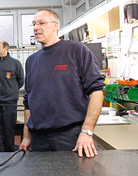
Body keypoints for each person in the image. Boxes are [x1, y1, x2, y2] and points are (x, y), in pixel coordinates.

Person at [19, 9, 105, 158]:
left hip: (70, 137)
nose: (36, 27)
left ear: (55, 25)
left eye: (41, 23)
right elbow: (28, 103)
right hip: (38, 139)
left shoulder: (77, 50)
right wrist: (26, 136)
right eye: (34, 24)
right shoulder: (31, 61)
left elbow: (97, 92)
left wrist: (87, 131)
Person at [0, 41, 24, 152]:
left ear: (6, 48)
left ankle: (9, 153)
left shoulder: (15, 64)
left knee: (9, 131)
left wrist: (10, 91)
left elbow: (20, 81)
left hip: (9, 103)